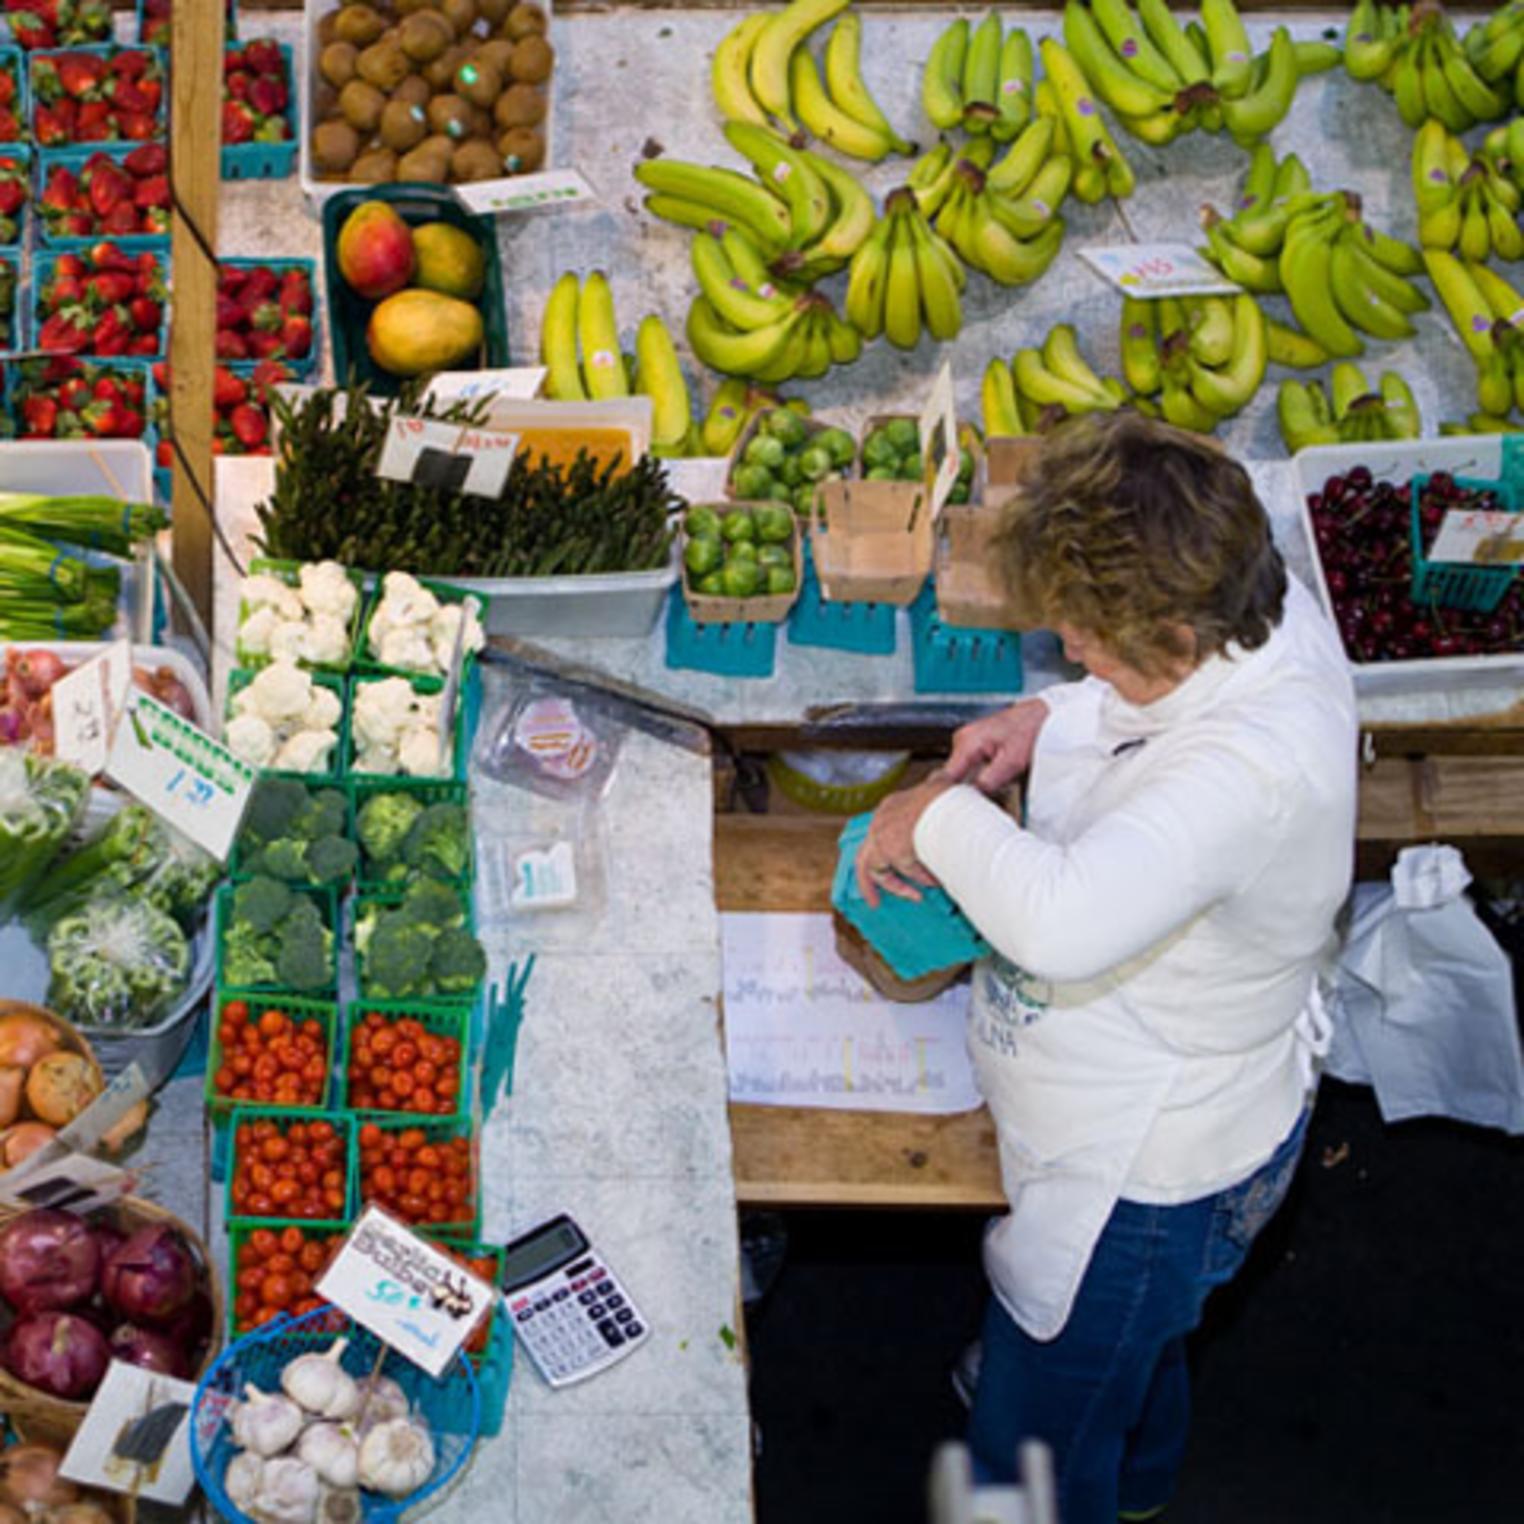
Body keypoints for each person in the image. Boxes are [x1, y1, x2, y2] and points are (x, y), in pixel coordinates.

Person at [853, 411, 1358, 1523]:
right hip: (1170, 1125)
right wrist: (1049, 714)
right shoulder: (1260, 605)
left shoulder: (1247, 774)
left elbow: (1061, 922)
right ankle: (1137, 1483)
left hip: (1146, 1183)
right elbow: (1145, 701)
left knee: (1035, 1448)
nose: (1071, 651)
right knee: (1134, 1366)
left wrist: (928, 815)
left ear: (1172, 627)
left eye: (1084, 638)